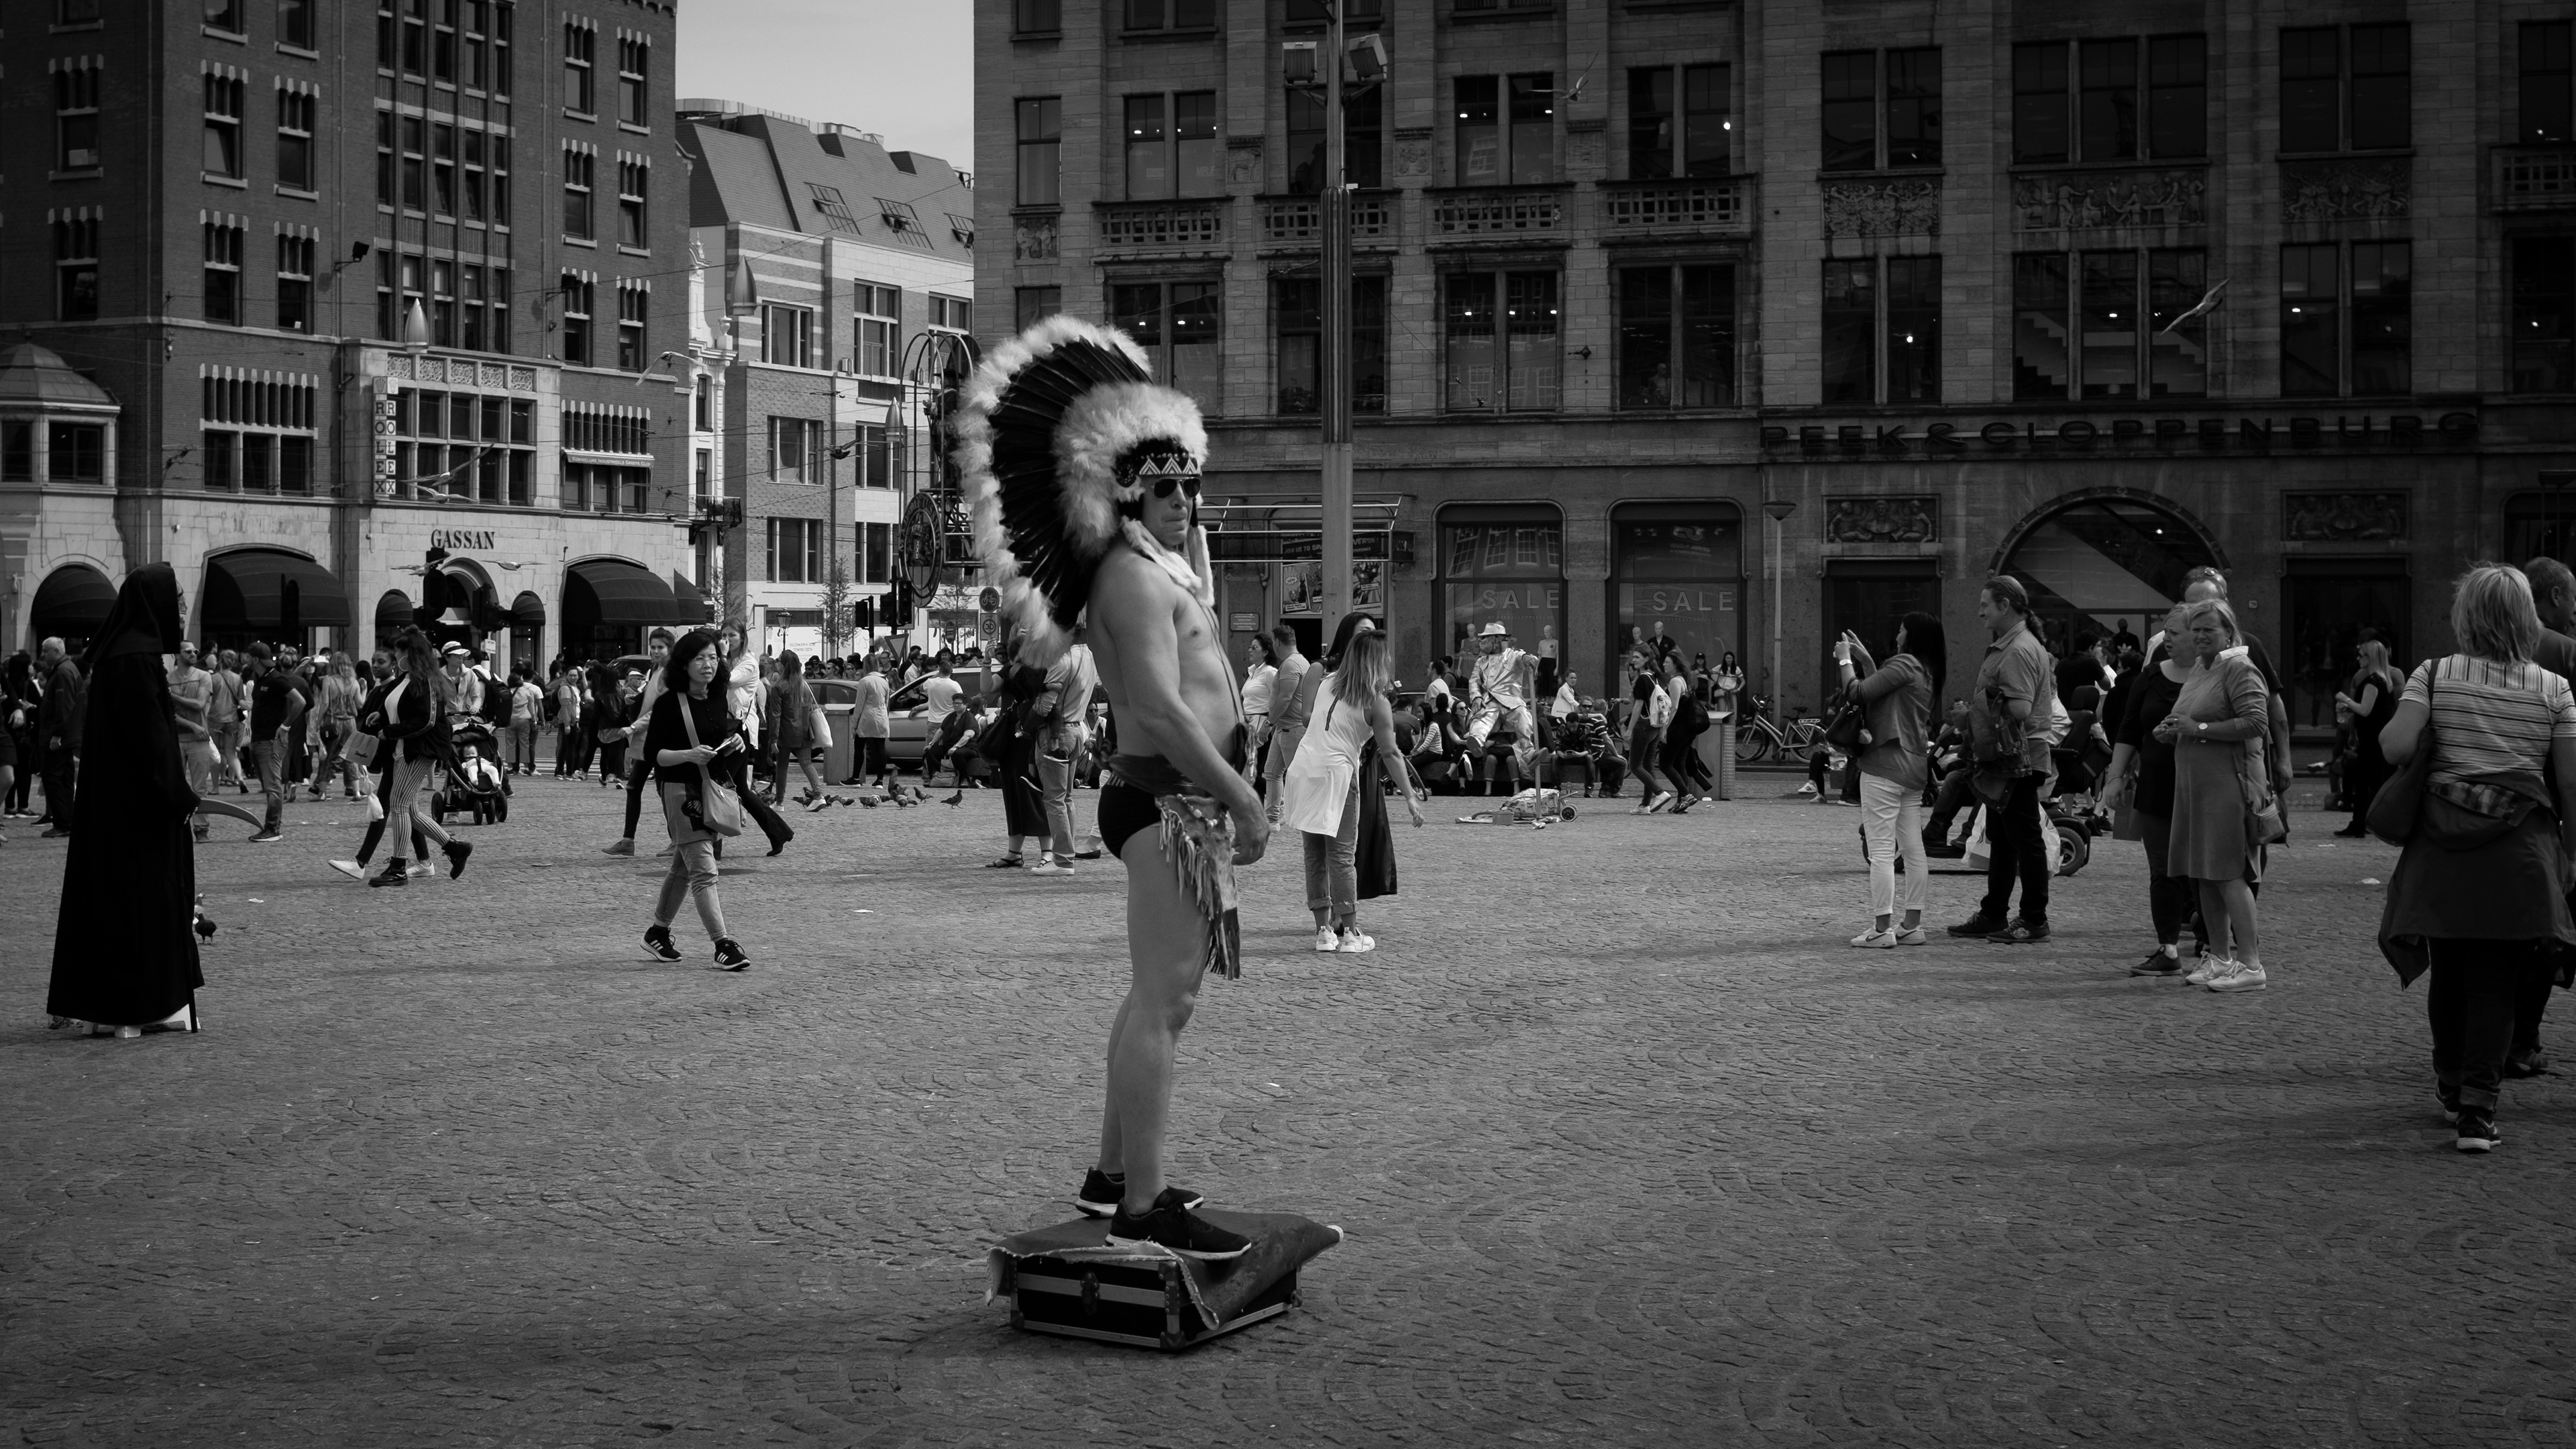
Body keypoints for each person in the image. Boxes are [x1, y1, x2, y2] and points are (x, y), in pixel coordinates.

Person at [958, 313, 1269, 1259]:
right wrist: (1243, 796)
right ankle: (1143, 1202)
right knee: (1166, 1003)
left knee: (1151, 999)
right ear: (1124, 494)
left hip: (1179, 802)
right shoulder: (1130, 581)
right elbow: (1166, 712)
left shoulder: (1155, 569)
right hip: (1166, 802)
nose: (1184, 500)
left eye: (1191, 485)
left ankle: (1108, 1177)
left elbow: (1191, 653)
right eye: (1164, 487)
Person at [2376, 564, 2576, 1152]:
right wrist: (2572, 853)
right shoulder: (2555, 689)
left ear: (2465, 616)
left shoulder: (2434, 675)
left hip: (2443, 847)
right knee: (2496, 979)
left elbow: (2394, 746)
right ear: (2527, 618)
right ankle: (2478, 1111)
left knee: (2451, 970)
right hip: (2518, 852)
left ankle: (2450, 1081)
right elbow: (2571, 784)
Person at [44, 564, 204, 1038]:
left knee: (115, 903)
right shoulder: (136, 659)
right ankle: (136, 1006)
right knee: (140, 905)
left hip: (116, 807)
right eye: (176, 600)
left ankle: (115, 1006)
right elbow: (151, 741)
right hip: (139, 813)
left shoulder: (122, 654)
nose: (181, 609)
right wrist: (179, 795)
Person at [1281, 620, 1424, 952]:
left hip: (1304, 768)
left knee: (1314, 856)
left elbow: (1309, 720)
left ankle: (1323, 932)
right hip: (1338, 776)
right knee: (1342, 856)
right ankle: (1350, 933)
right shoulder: (1376, 701)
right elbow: (1391, 753)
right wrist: (1410, 797)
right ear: (1377, 662)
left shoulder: (1327, 682)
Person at [2157, 598, 2275, 993]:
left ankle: (2251, 964)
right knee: (2204, 875)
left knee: (2228, 874)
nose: (2201, 635)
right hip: (2195, 788)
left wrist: (2199, 728)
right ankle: (2220, 959)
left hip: (2228, 787)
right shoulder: (2201, 668)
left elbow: (2256, 722)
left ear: (2229, 632)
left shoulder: (2239, 667)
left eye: (2210, 629)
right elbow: (2191, 719)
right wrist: (2173, 730)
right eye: (2196, 629)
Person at [1947, 576, 2059, 944]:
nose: (1980, 612)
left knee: (2024, 839)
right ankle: (1994, 913)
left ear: (2005, 605)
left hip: (2019, 758)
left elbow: (2021, 709)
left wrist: (1972, 712)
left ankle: (2034, 919)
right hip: (2009, 757)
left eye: (1985, 605)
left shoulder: (2018, 650)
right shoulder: (2015, 645)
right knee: (2004, 837)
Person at [634, 629, 753, 969]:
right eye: (700, 658)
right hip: (679, 791)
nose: (708, 665)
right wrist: (687, 755)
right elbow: (654, 755)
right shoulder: (669, 703)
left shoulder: (717, 698)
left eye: (713, 657)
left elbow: (718, 743)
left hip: (708, 789)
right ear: (684, 663)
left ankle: (657, 933)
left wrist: (734, 744)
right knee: (704, 869)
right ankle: (723, 945)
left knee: (682, 868)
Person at [1837, 611, 1944, 948]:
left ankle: (1882, 928)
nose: (1897, 635)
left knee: (1881, 850)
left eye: (1901, 630)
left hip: (1884, 764)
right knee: (1913, 849)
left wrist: (1845, 661)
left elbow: (1856, 693)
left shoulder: (1904, 663)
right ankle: (1911, 925)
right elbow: (1882, 692)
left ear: (1912, 635)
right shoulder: (1927, 671)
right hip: (1913, 768)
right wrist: (1868, 661)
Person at [2104, 602, 2198, 975]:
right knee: (2162, 869)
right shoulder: (2150, 676)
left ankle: (2214, 944)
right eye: (2165, 633)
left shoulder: (2216, 675)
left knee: (2205, 869)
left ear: (2197, 635)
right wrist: (2115, 777)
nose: (2165, 639)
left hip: (2202, 786)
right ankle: (2169, 948)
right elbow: (2129, 729)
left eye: (2174, 633)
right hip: (2157, 786)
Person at [1026, 626, 1099, 873]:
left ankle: (1063, 860)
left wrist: (1026, 726)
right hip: (1078, 729)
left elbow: (1046, 705)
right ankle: (1067, 856)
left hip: (1058, 732)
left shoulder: (1063, 660)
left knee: (1055, 800)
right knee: (1066, 798)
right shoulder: (1090, 656)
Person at [602, 628, 674, 853]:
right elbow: (653, 700)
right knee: (637, 787)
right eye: (653, 647)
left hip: (661, 739)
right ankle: (628, 841)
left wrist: (634, 726)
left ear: (670, 648)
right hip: (649, 738)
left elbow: (662, 709)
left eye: (660, 647)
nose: (655, 651)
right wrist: (638, 700)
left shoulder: (670, 672)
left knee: (664, 790)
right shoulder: (657, 669)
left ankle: (676, 840)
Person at [2332, 639, 2405, 838]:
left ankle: (2364, 824)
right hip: (2377, 737)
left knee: (2366, 782)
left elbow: (2365, 710)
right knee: (2372, 782)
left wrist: (2345, 699)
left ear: (2371, 657)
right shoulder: (2382, 680)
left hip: (2372, 739)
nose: (2358, 658)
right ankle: (2367, 823)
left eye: (2362, 655)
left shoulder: (2373, 681)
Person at [1260, 623, 1312, 817]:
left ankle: (1304, 817)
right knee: (1272, 772)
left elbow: (1285, 698)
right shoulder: (1301, 662)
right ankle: (1272, 817)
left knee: (1296, 775)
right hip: (1284, 728)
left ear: (1277, 642)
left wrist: (1268, 723)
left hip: (1292, 729)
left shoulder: (1291, 664)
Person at [766, 652, 826, 808]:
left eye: (779, 661)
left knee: (782, 767)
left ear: (784, 664)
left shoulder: (779, 686)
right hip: (804, 731)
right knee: (807, 763)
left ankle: (780, 802)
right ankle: (819, 795)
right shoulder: (804, 685)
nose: (777, 663)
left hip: (785, 733)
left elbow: (776, 715)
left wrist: (773, 738)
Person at [36, 636, 82, 837]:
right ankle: (67, 822)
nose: (42, 655)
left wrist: (57, 734)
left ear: (56, 652)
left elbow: (64, 705)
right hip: (67, 735)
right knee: (64, 779)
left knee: (53, 778)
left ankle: (63, 823)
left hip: (59, 736)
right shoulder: (67, 668)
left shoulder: (62, 671)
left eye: (45, 651)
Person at [1658, 653, 1715, 812]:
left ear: (1676, 664)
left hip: (1678, 729)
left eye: (1667, 662)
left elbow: (1674, 707)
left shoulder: (1675, 681)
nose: (1664, 664)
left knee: (1665, 764)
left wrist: (1664, 728)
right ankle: (1682, 801)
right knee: (1679, 763)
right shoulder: (1684, 679)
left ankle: (1685, 794)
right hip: (1687, 729)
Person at [851, 654, 898, 800]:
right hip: (881, 716)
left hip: (867, 716)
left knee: (859, 746)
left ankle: (855, 778)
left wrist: (854, 723)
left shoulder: (865, 681)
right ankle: (879, 780)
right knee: (880, 747)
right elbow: (887, 701)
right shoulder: (885, 680)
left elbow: (859, 705)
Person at [1240, 635, 1278, 790]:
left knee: (1253, 773)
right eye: (1250, 646)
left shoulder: (1270, 672)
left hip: (1262, 726)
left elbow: (1278, 699)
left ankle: (1278, 794)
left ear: (1265, 652)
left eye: (1255, 647)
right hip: (1248, 725)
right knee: (1248, 771)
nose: (1250, 650)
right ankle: (1270, 797)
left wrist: (1269, 725)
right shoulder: (1252, 673)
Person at [553, 663, 589, 777]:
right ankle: (569, 773)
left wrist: (584, 674)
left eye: (575, 675)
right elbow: (566, 707)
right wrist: (567, 724)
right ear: (566, 676)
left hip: (573, 720)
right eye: (571, 675)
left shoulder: (575, 688)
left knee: (565, 747)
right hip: (568, 720)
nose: (573, 678)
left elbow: (586, 690)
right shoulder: (565, 688)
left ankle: (560, 772)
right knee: (570, 748)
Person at [504, 672, 541, 775]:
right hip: (524, 720)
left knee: (510, 744)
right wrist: (534, 720)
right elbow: (532, 708)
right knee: (524, 744)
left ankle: (511, 767)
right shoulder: (527, 692)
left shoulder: (507, 692)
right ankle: (527, 766)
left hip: (510, 720)